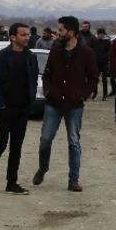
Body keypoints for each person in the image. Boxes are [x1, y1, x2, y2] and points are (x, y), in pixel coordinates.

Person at [33, 16, 98, 192]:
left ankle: (73, 180)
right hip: (53, 102)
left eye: (61, 30)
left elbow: (93, 78)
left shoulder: (87, 53)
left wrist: (83, 95)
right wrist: (48, 91)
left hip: (74, 105)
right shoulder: (56, 50)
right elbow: (47, 74)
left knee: (74, 141)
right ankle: (43, 168)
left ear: (72, 32)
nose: (58, 33)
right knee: (45, 139)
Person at [0, 23, 38, 194]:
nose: (27, 37)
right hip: (5, 109)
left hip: (23, 108)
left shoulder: (30, 56)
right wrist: (0, 104)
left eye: (28, 34)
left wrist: (30, 100)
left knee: (16, 147)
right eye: (23, 34)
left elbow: (33, 79)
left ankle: (11, 183)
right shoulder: (2, 57)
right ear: (13, 37)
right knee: (0, 145)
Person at [91, 28, 111, 100]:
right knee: (95, 79)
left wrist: (107, 58)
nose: (101, 35)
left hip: (104, 63)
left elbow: (109, 51)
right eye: (100, 34)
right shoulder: (94, 41)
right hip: (96, 63)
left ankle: (104, 95)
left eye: (102, 34)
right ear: (98, 34)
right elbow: (91, 50)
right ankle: (95, 93)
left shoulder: (107, 42)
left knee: (104, 79)